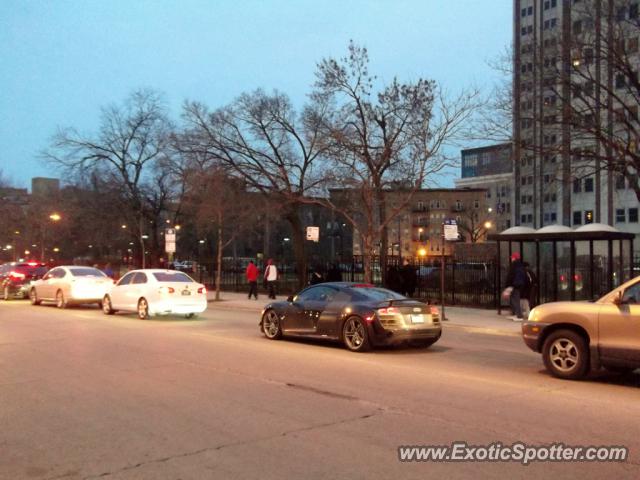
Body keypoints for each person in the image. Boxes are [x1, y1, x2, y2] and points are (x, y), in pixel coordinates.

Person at [505, 252, 527, 321]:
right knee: (513, 299)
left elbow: (511, 276)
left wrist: (509, 285)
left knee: (515, 300)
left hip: (514, 285)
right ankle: (516, 314)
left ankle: (518, 315)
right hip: (518, 285)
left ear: (514, 258)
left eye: (512, 258)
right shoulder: (520, 266)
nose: (511, 259)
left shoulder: (514, 265)